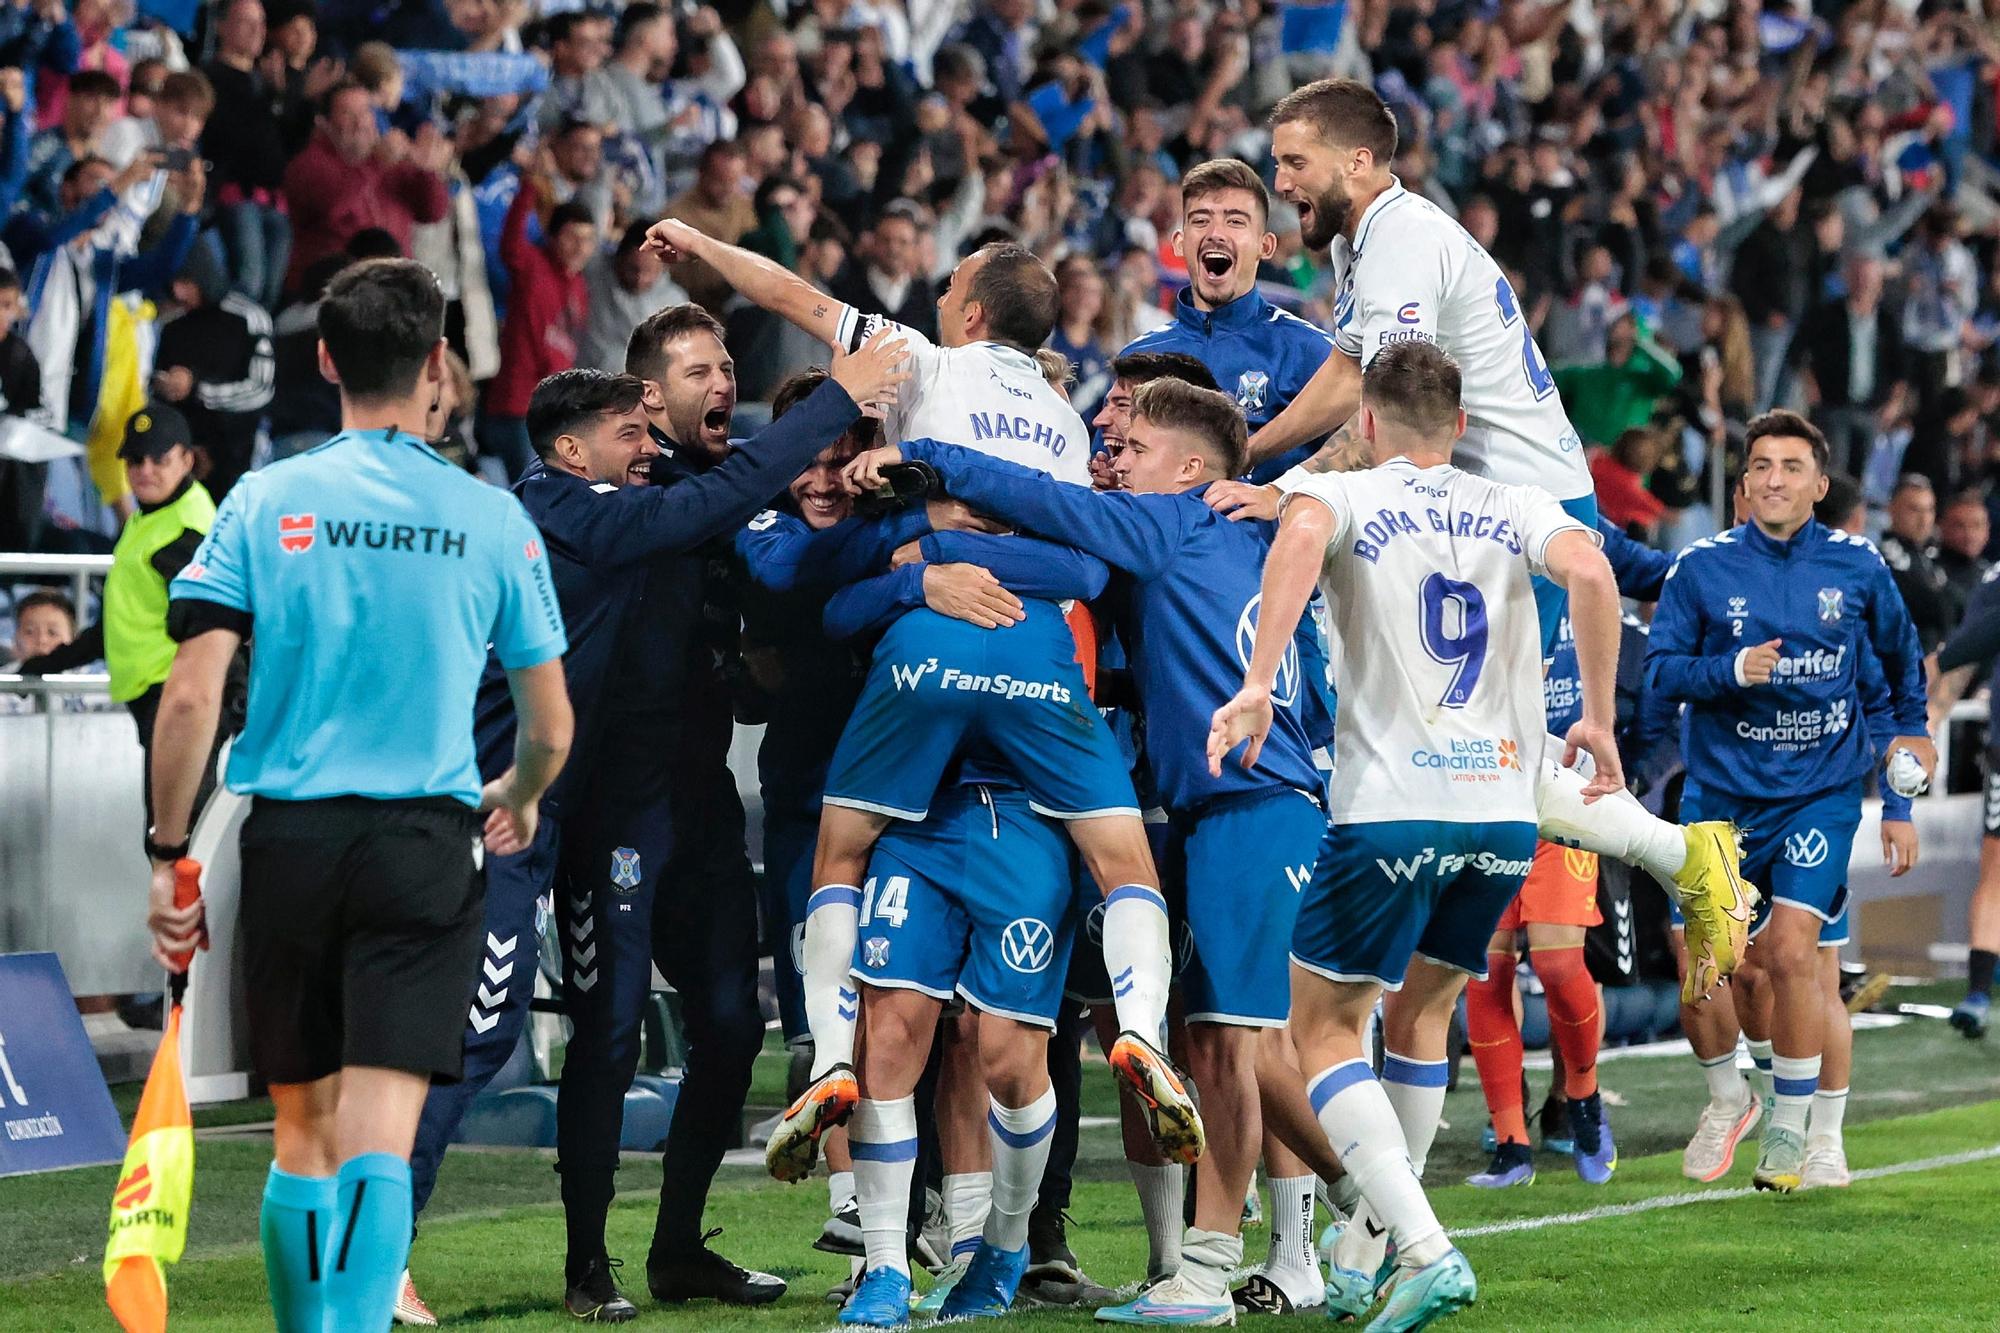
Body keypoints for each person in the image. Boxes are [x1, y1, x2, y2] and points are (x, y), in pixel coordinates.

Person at [641, 217, 1202, 1194]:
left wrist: (697, 243)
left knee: (837, 851)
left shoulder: (919, 362)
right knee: (1123, 862)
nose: (935, 294)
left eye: (951, 285)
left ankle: (826, 1057)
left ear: (971, 309)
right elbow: (1079, 561)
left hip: (924, 658)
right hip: (1034, 653)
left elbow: (788, 291)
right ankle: (1144, 1031)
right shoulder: (1068, 424)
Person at [402, 329, 911, 1323]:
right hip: (562, 805)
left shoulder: (715, 494)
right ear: (639, 397)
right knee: (578, 1026)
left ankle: (677, 1248)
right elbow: (706, 516)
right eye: (695, 375)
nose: (719, 385)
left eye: (729, 370)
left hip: (681, 798)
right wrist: (828, 403)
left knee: (728, 1022)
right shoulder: (599, 502)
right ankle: (574, 1262)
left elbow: (777, 577)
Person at [1208, 77, 1753, 998]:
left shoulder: (1403, 239)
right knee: (1475, 737)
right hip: (1496, 504)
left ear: (1360, 161)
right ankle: (1679, 860)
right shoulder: (1378, 241)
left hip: (1516, 511)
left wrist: (1280, 481)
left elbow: (1375, 399)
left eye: (1295, 163)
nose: (1283, 182)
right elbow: (1350, 371)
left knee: (1478, 744)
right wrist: (1258, 455)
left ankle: (1685, 858)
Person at [845, 376, 1340, 1322]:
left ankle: (1252, 1254)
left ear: (1191, 468)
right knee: (1230, 1042)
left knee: (1239, 1045)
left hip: (1247, 802)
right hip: (1241, 801)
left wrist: (934, 480)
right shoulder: (1250, 531)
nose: (1118, 464)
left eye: (1136, 446)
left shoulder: (1179, 520)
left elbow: (1053, 511)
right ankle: (1342, 1222)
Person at [142, 258, 575, 1333]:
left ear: (325, 358)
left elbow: (192, 697)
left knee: (302, 1135)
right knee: (381, 1134)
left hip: (291, 840)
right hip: (424, 842)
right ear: (438, 363)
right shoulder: (491, 516)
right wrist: (516, 792)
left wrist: (167, 850)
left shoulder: (263, 497)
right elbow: (552, 725)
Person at [1208, 339, 1625, 1330]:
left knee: (1314, 1030)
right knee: (1421, 1018)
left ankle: (1424, 1247)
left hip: (1390, 803)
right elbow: (1595, 577)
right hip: (1501, 816)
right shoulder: (1521, 505)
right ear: (1463, 425)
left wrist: (1259, 680)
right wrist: (1598, 717)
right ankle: (1362, 1258)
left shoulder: (1340, 493)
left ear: (1363, 423)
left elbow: (1297, 543)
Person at [1645, 410, 1932, 1192]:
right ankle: (1729, 1098)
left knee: (1794, 954)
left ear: (1820, 483)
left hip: (1820, 792)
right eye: (1762, 466)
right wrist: (1730, 672)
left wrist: (1904, 794)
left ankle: (1797, 1127)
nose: (1776, 478)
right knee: (1710, 971)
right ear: (1741, 487)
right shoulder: (1699, 569)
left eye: (1792, 466)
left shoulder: (1858, 567)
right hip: (1721, 794)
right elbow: (1663, 669)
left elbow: (1903, 682)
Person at [20, 405, 231, 827]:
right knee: (171, 832)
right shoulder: (155, 517)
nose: (145, 470)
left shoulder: (183, 533)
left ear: (187, 460)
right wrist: (49, 663)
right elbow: (123, 620)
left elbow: (223, 626)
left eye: (160, 459)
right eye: (136, 460)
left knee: (176, 836)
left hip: (179, 700)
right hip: (163, 698)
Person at [1118, 159, 1334, 482]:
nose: (1216, 234)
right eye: (1201, 220)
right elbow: (1110, 461)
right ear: (1180, 243)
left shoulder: (1311, 353)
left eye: (1235, 221)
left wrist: (1276, 499)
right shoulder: (1139, 358)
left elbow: (1357, 455)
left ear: (1266, 246)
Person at [152, 243, 276, 501]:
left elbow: (261, 390)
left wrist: (197, 389)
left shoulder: (249, 317)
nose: (178, 292)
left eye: (185, 282)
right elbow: (154, 391)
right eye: (173, 282)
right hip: (180, 461)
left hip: (237, 456)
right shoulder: (170, 325)